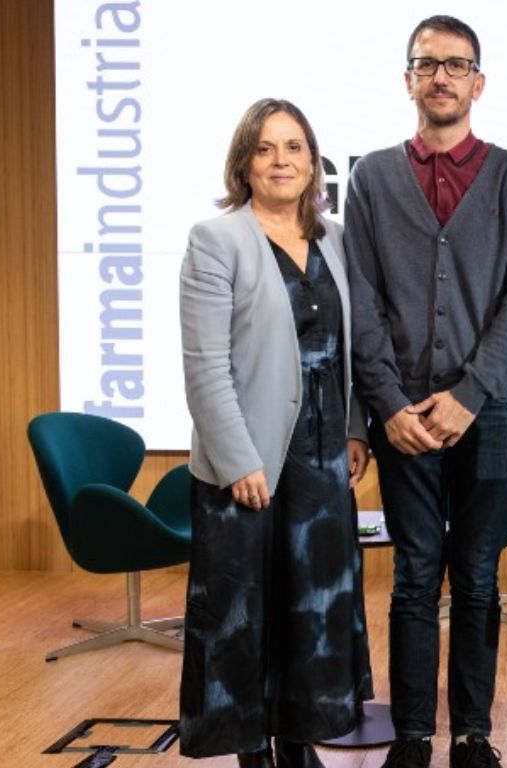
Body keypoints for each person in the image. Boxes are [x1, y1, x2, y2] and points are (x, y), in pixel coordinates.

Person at [343, 14, 507, 768]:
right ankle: (411, 735)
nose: (441, 77)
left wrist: (471, 392)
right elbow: (361, 303)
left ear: (478, 83)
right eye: (427, 64)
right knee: (414, 575)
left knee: (479, 578)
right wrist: (388, 404)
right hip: (403, 417)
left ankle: (473, 732)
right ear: (408, 80)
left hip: (491, 411)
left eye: (456, 65)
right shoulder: (369, 177)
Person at [178, 98, 373, 768]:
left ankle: (298, 738)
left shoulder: (336, 238)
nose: (282, 160)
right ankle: (251, 747)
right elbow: (204, 364)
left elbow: (349, 347)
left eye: (294, 147)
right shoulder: (217, 239)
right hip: (250, 461)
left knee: (311, 611)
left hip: (322, 460)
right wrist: (238, 459)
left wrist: (355, 429)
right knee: (242, 616)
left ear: (314, 163)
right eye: (266, 148)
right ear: (244, 162)